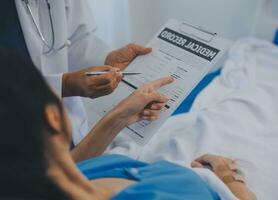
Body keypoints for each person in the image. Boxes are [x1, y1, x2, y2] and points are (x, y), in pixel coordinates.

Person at [0, 49, 256, 200]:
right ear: (53, 117)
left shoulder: (56, 178)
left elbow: (63, 167)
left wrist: (118, 116)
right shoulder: (172, 193)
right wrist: (230, 181)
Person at [0, 0, 153, 146]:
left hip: (67, 133)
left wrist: (106, 59)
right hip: (14, 140)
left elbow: (74, 38)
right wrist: (65, 85)